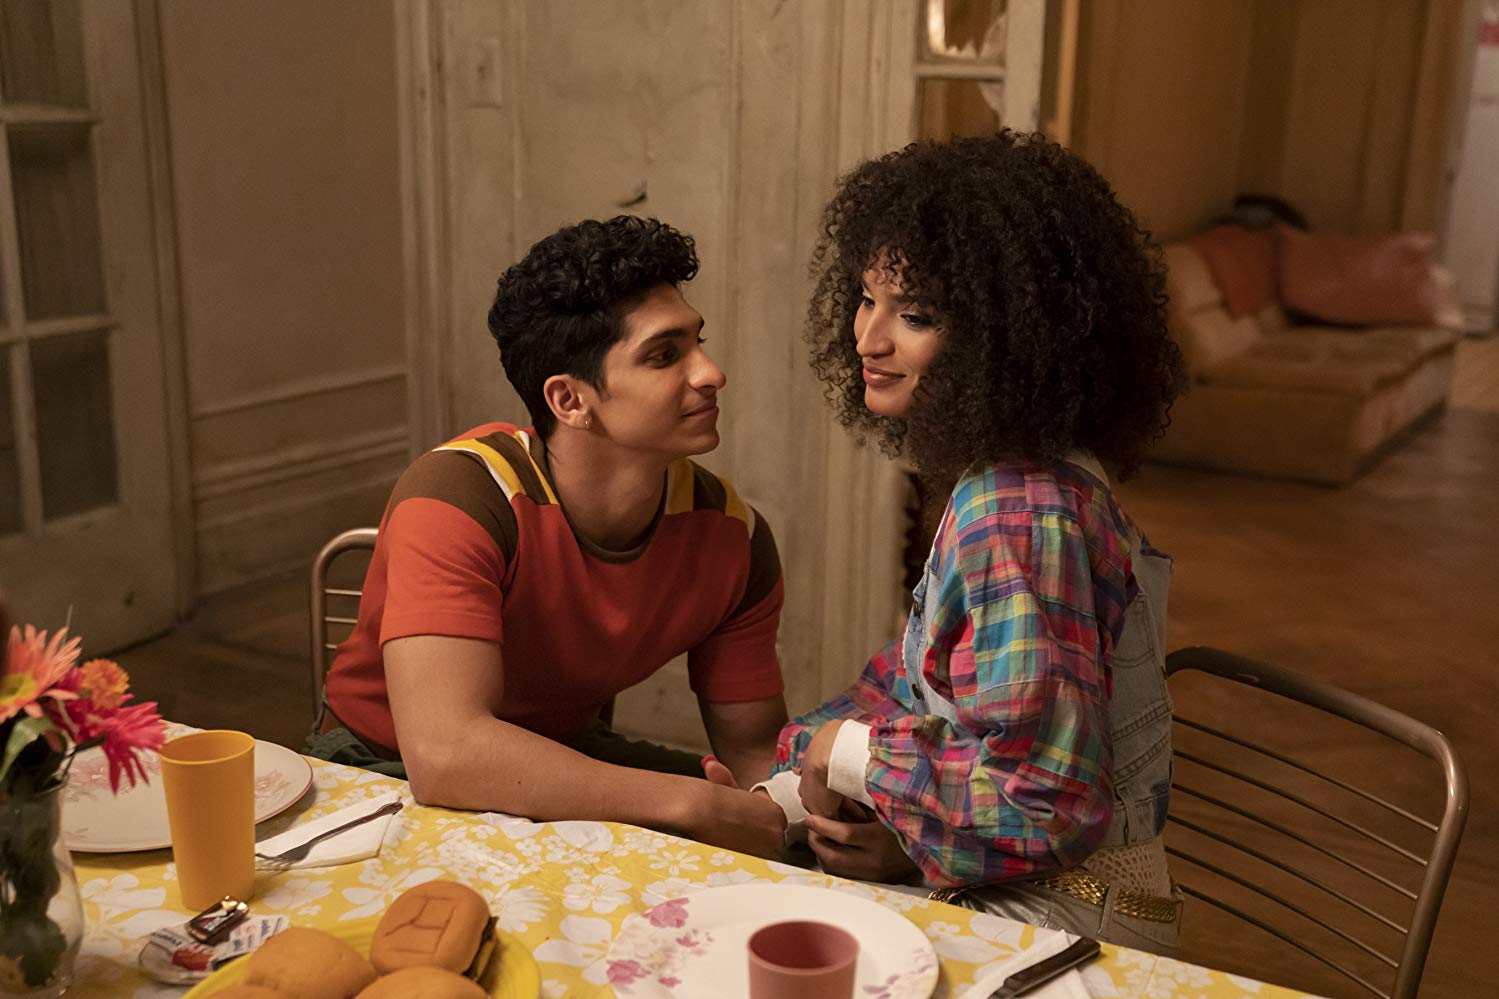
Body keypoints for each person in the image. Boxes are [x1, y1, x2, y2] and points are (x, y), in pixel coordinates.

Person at [757, 131, 1188, 951]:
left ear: (1004, 336)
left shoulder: (1014, 513)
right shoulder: (1028, 471)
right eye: (866, 298)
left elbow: (1045, 804)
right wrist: (788, 779)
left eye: (915, 315)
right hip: (1028, 891)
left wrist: (846, 754)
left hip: (1063, 927)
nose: (867, 338)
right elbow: (921, 682)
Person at [312, 216, 788, 859]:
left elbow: (754, 747)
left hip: (560, 753)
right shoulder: (460, 497)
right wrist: (690, 805)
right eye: (664, 355)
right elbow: (446, 754)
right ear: (569, 401)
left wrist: (797, 816)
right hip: (377, 770)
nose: (711, 372)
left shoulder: (734, 538)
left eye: (698, 342)